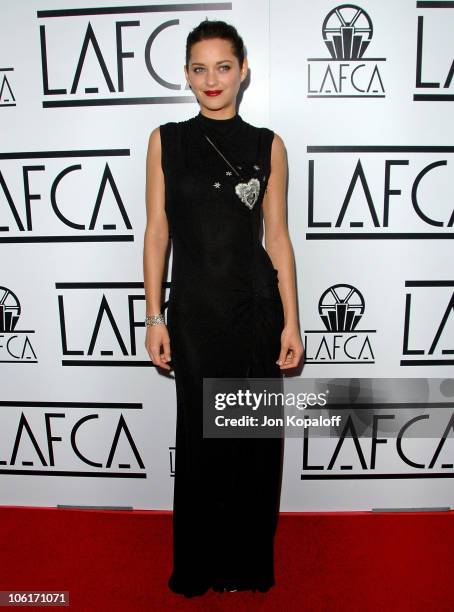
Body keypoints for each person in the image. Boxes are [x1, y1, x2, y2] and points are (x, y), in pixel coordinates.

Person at [143, 19, 304, 598]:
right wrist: (154, 315)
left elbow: (278, 237)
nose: (212, 79)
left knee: (252, 444)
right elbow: (157, 233)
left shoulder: (268, 145)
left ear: (243, 72)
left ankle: (245, 566)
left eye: (224, 66)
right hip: (193, 318)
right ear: (186, 76)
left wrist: (291, 319)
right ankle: (199, 565)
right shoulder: (167, 140)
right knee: (202, 443)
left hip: (254, 311)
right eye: (199, 68)